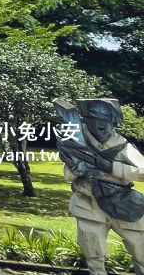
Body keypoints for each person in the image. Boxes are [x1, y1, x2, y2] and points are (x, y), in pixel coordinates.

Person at [54, 98, 144, 275]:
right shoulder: (77, 143)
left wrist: (109, 167)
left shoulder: (122, 146)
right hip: (88, 203)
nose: (99, 125)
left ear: (112, 122)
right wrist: (77, 169)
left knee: (140, 248)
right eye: (93, 119)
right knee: (93, 252)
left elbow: (142, 171)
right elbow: (68, 174)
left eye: (105, 121)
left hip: (123, 204)